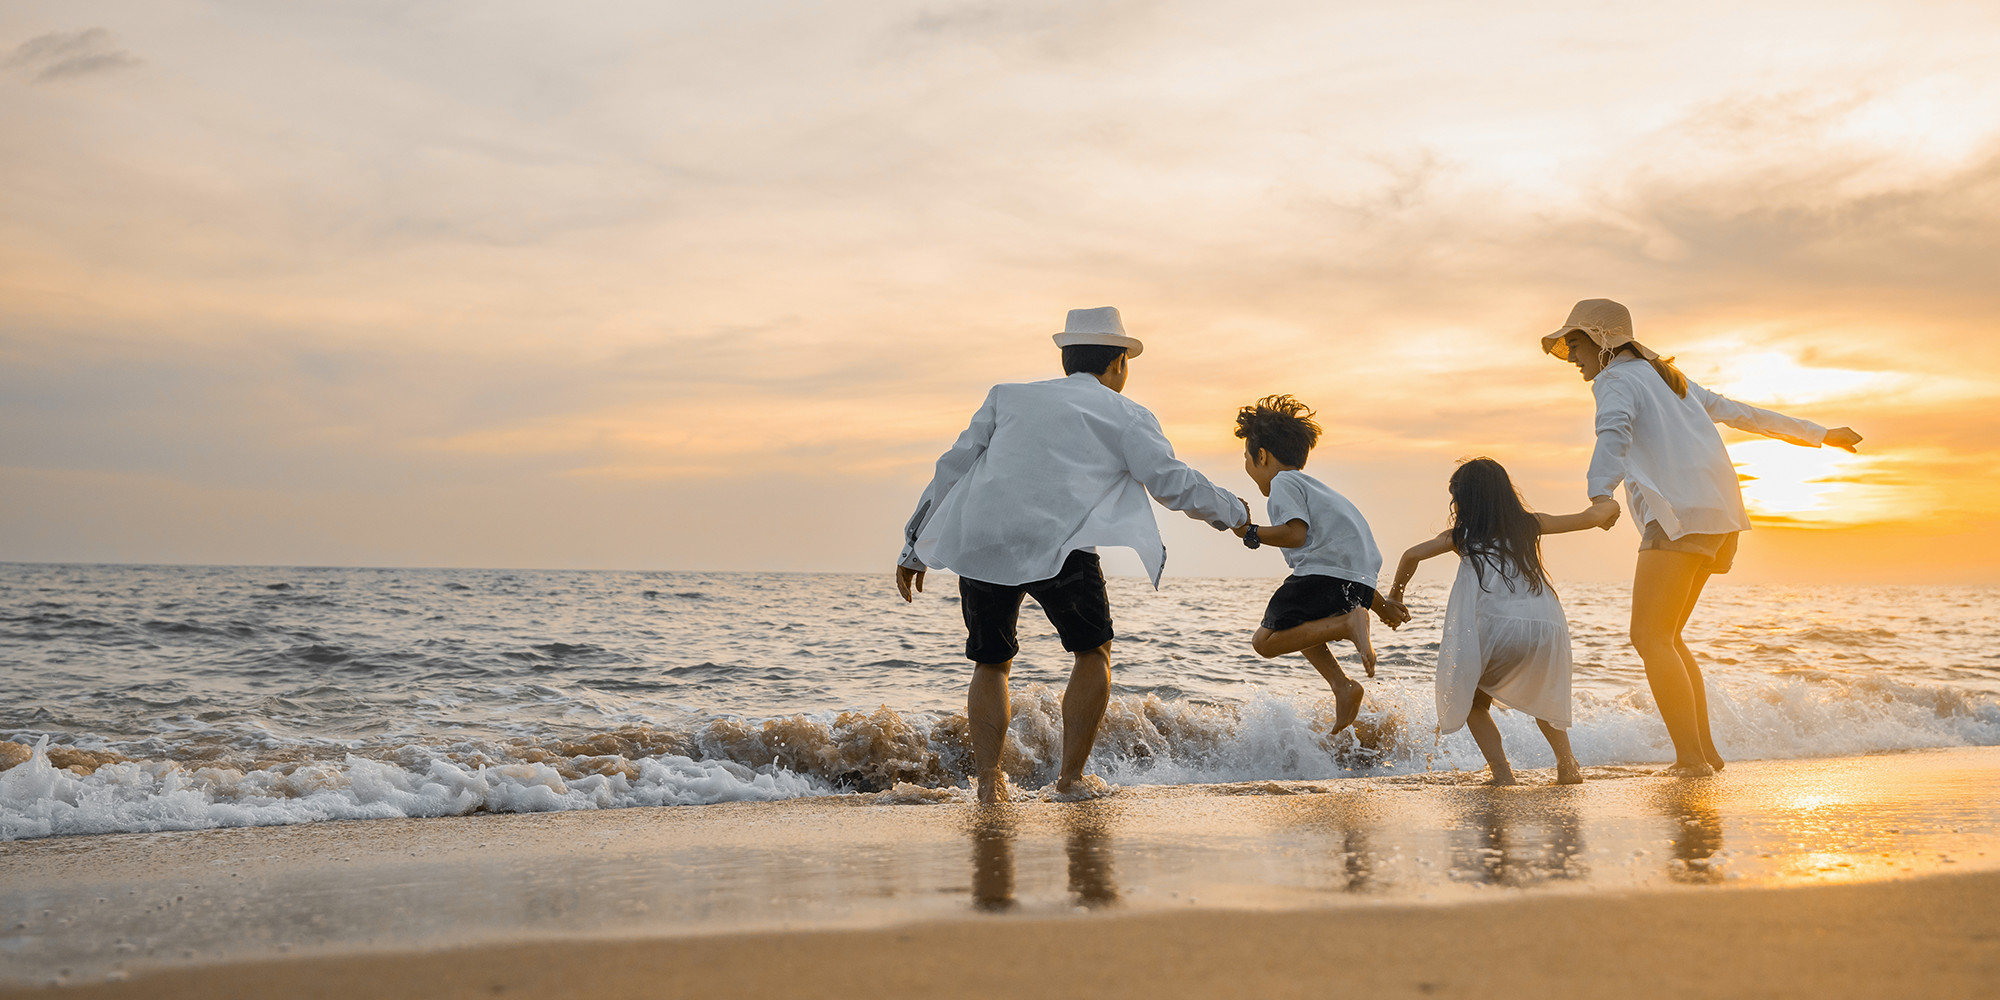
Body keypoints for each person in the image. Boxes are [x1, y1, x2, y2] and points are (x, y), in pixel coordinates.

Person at [895, 307, 1250, 803]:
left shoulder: (1006, 396)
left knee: (991, 662)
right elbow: (1172, 482)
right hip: (1062, 547)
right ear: (1119, 363)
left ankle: (989, 783)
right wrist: (1236, 514)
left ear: (1067, 359)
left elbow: (952, 466)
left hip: (984, 541)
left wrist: (913, 546)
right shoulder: (1126, 414)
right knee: (1092, 652)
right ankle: (1070, 779)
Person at [1545, 298, 1863, 776]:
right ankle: (1704, 754)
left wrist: (1599, 494)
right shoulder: (1668, 378)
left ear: (1602, 341)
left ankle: (1691, 760)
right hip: (1719, 517)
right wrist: (1820, 434)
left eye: (1575, 343)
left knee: (1649, 637)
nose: (1570, 355)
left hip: (1681, 516)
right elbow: (1740, 412)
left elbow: (1613, 431)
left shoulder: (1617, 379)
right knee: (1668, 636)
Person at [1386, 458, 1619, 785]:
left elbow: (1411, 555)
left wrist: (1395, 596)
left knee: (1473, 702)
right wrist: (1610, 504)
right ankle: (1568, 765)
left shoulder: (1462, 536)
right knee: (1544, 700)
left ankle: (1502, 773)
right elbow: (1591, 517)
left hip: (1498, 626)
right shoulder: (1530, 524)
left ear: (1465, 500)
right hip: (1545, 626)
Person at [1228, 395, 1410, 736]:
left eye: (1247, 459)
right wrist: (1383, 607)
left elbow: (1296, 534)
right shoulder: (1323, 491)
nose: (1248, 467)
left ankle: (1347, 626)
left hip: (1322, 577)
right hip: (1355, 582)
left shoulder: (1283, 484)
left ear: (1262, 456)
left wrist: (1250, 532)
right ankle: (1342, 685)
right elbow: (1350, 572)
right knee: (1299, 624)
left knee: (1265, 642)